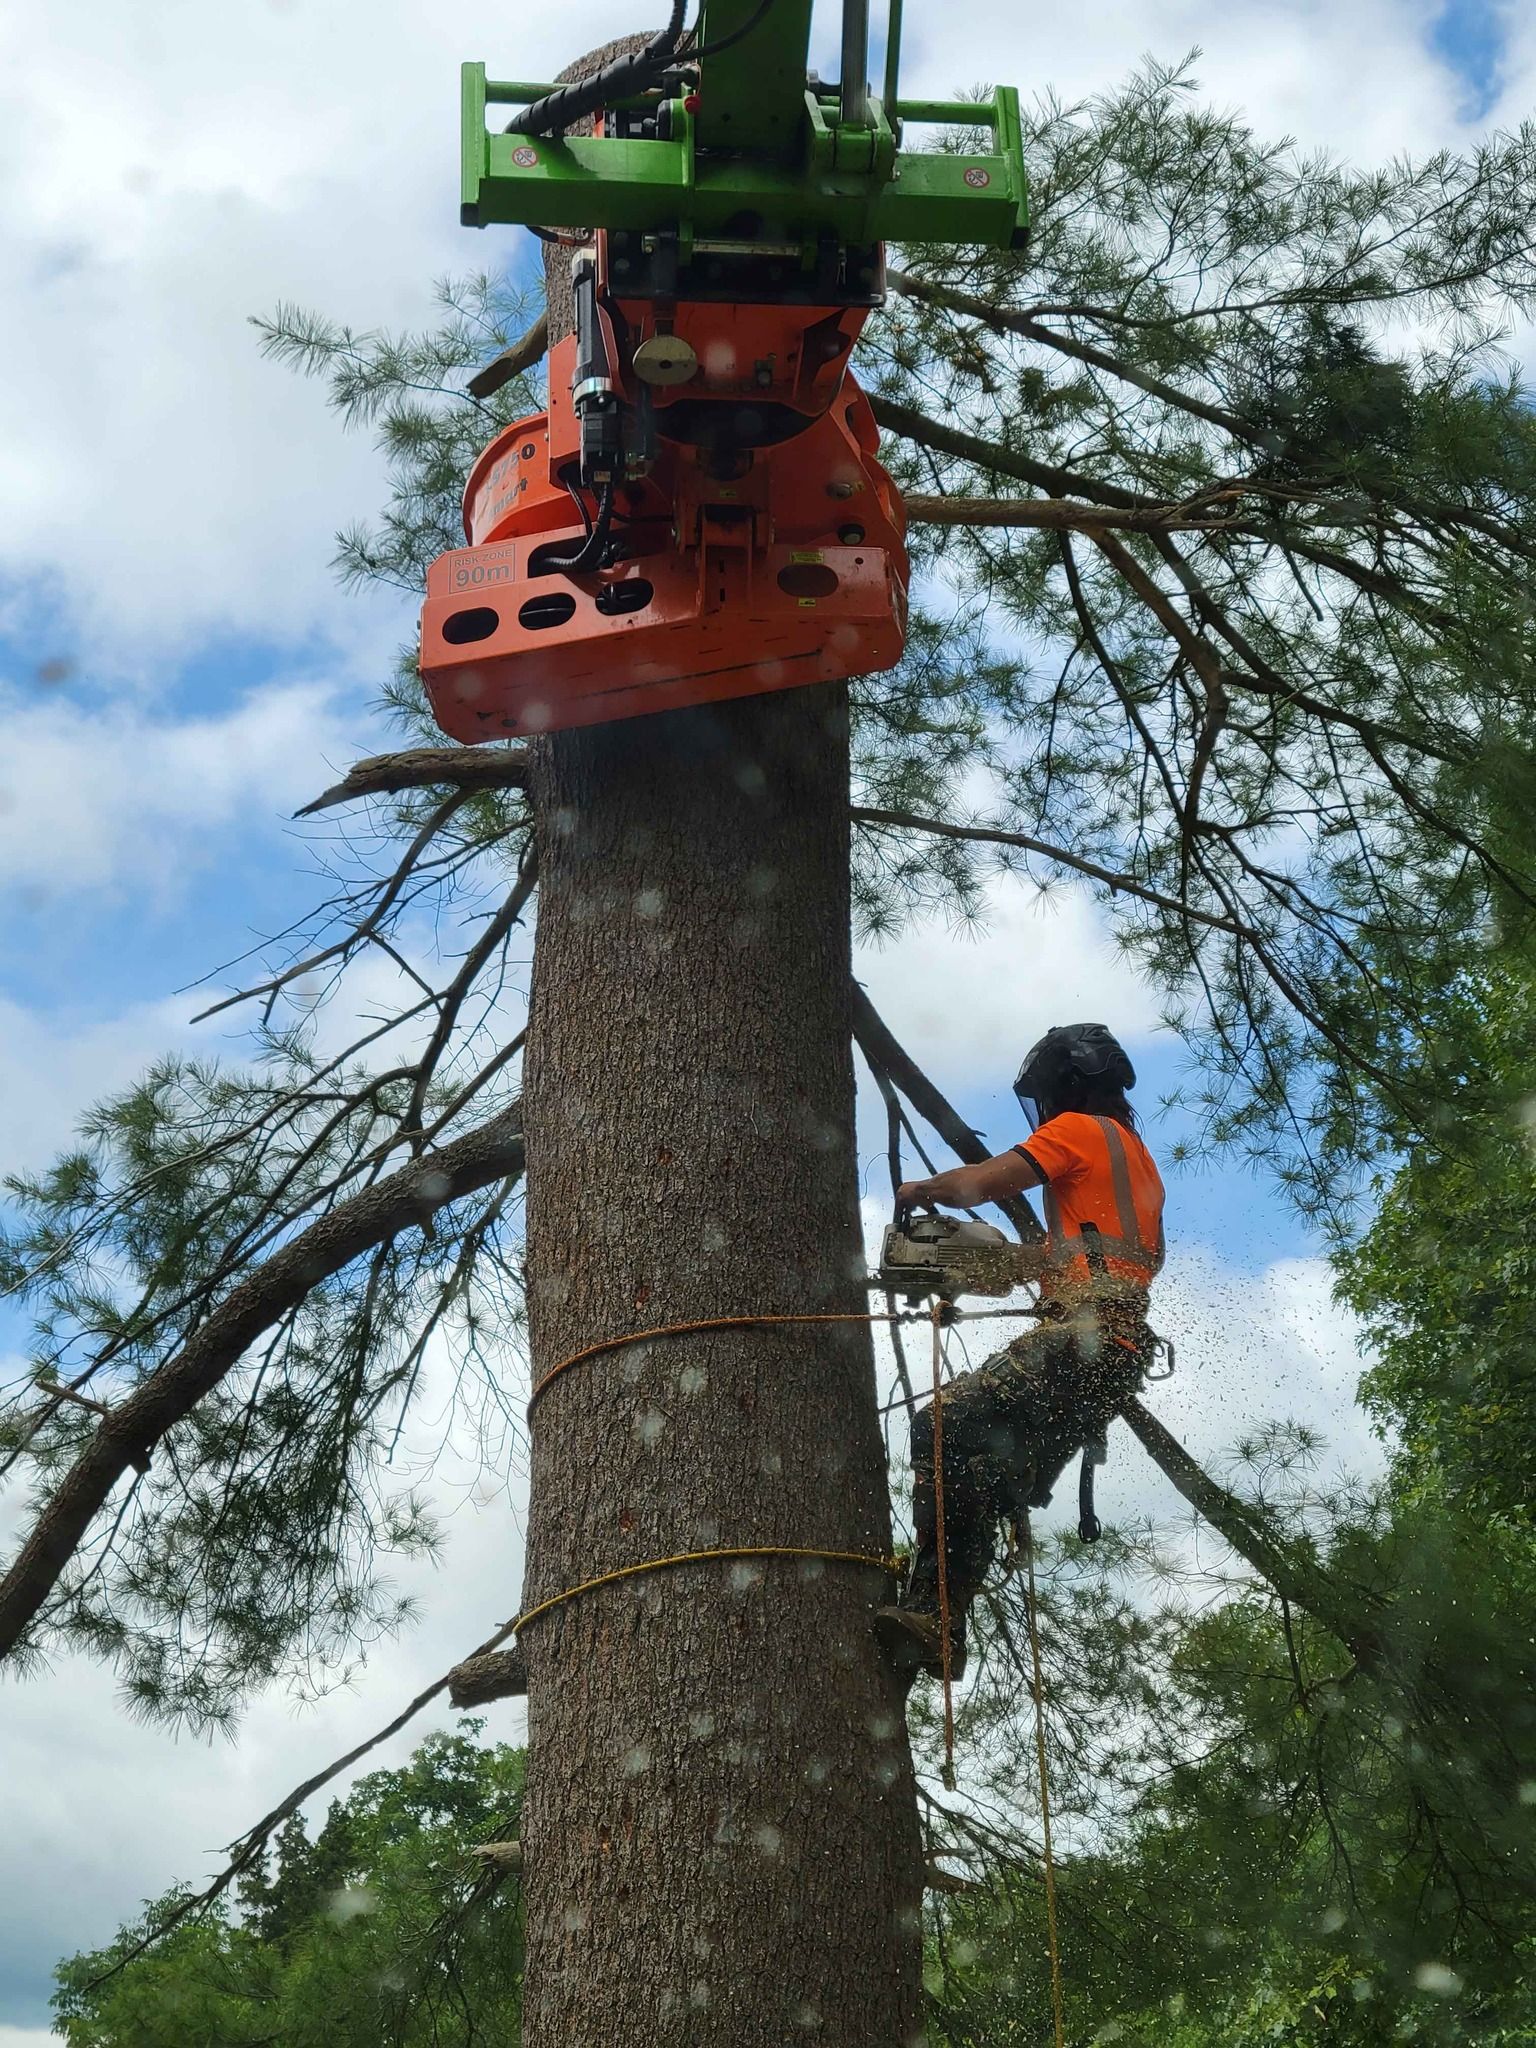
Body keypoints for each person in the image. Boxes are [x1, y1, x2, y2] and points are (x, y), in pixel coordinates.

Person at [875, 1023, 1166, 1684]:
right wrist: (990, 1268)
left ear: (1070, 1082)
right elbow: (1096, 1260)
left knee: (939, 1426)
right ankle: (940, 1627)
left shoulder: (1076, 1132)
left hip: (1077, 1342)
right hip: (1116, 1357)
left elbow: (983, 1182)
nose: (1045, 1109)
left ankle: (935, 1613)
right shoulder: (1137, 1162)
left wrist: (924, 1192)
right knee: (982, 1471)